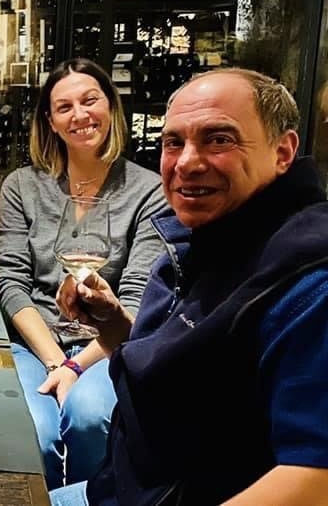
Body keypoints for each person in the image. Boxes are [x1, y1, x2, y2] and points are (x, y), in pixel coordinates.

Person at [52, 68, 328, 505]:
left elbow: (315, 479)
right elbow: (187, 369)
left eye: (219, 139)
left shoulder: (307, 284)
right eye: (173, 142)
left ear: (283, 151)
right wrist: (113, 325)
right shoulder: (206, 235)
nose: (187, 162)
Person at [0, 59, 167, 490]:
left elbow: (137, 295)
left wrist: (78, 365)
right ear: (50, 121)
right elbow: (11, 282)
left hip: (112, 347)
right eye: (64, 106)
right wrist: (57, 360)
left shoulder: (150, 190)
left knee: (88, 418)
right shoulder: (22, 186)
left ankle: (97, 497)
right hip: (36, 344)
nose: (80, 115)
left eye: (90, 100)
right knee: (34, 430)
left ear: (110, 107)